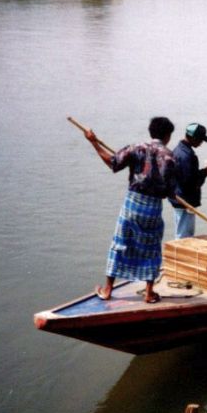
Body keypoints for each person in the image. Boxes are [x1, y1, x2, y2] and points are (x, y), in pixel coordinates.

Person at [85, 117, 176, 303]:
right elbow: (169, 190)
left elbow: (113, 163)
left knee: (121, 241)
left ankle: (108, 289)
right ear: (167, 136)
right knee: (151, 247)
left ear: (151, 132)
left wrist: (93, 142)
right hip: (152, 208)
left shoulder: (136, 148)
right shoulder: (169, 156)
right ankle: (149, 293)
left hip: (133, 203)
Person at [170, 123, 207, 239]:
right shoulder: (187, 156)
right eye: (200, 140)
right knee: (184, 236)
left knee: (181, 232)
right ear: (193, 138)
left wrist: (203, 172)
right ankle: (180, 256)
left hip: (178, 198)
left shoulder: (178, 150)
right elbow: (190, 183)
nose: (201, 143)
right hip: (185, 202)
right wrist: (206, 172)